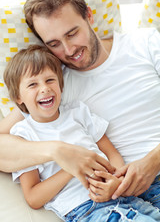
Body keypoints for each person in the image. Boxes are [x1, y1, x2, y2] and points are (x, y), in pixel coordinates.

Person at [0, 0, 160, 207]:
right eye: (54, 44)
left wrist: (153, 161)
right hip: (116, 197)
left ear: (89, 16)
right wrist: (57, 151)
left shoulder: (144, 42)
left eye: (72, 33)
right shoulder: (54, 86)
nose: (68, 50)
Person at [4, 44, 160, 222]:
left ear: (61, 85)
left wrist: (115, 181)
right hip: (86, 208)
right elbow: (33, 197)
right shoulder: (23, 135)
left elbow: (112, 153)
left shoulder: (79, 112)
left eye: (50, 80)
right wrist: (73, 168)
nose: (44, 88)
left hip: (121, 196)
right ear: (18, 97)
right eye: (33, 84)